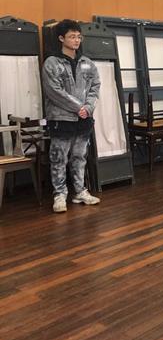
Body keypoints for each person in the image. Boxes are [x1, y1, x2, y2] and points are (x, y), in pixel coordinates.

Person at [42, 19, 101, 213]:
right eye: (72, 36)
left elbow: (95, 87)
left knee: (80, 156)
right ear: (61, 38)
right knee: (58, 157)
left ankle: (80, 191)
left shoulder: (87, 63)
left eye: (78, 37)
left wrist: (88, 108)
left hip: (84, 119)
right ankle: (59, 195)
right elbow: (54, 91)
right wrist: (78, 107)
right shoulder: (52, 63)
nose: (76, 40)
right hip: (61, 119)